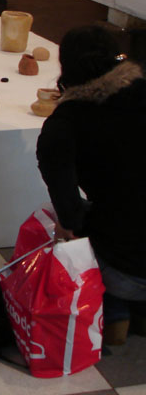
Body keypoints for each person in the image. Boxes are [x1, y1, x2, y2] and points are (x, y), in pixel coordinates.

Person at [36, 25, 146, 346]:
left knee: (74, 225)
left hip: (127, 265)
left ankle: (113, 312)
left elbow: (68, 214)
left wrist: (70, 223)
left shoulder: (67, 122)